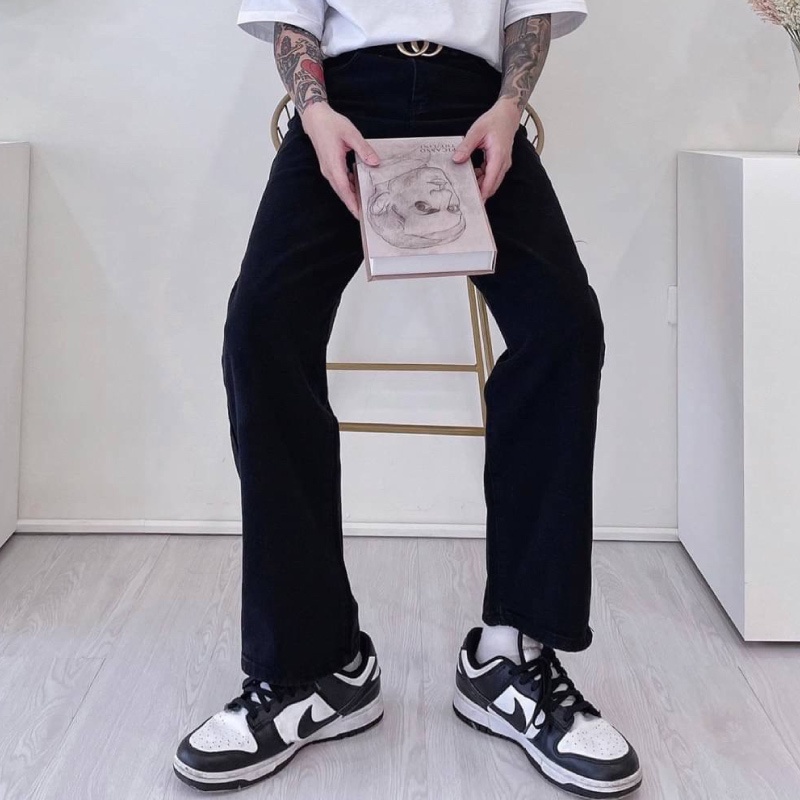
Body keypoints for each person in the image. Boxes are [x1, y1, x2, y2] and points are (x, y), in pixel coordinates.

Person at [173, 1, 643, 796]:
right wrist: (314, 114)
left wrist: (510, 107)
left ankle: (510, 655)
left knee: (563, 330)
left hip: (476, 105)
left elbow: (528, 14)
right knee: (260, 332)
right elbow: (294, 20)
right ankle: (316, 666)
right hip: (341, 104)